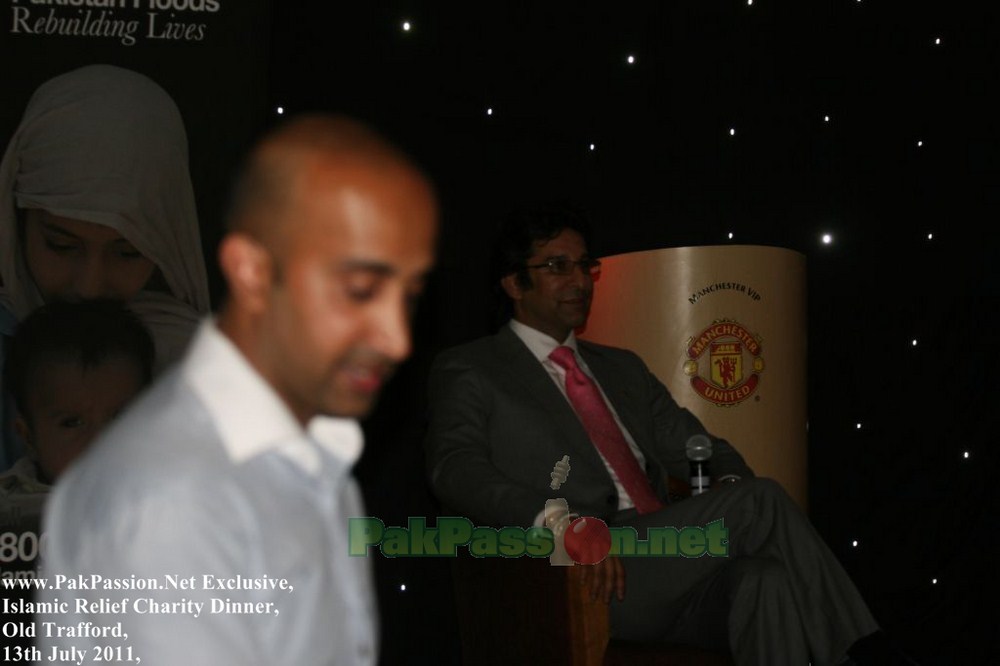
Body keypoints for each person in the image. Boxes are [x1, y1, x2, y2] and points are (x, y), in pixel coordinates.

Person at [424, 203, 912, 665]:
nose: (578, 281)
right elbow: (455, 470)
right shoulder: (472, 369)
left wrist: (726, 483)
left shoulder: (622, 369)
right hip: (585, 571)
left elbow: (703, 448)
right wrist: (556, 522)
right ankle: (863, 650)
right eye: (557, 266)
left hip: (670, 558)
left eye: (584, 265)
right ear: (514, 282)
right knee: (759, 502)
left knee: (766, 582)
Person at [37, 114, 438, 665]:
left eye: (410, 296)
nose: (396, 338)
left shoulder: (315, 457)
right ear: (250, 270)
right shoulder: (172, 497)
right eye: (361, 289)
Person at [0, 64, 211, 471]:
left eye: (127, 253)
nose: (90, 286)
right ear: (17, 220)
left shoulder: (203, 369)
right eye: (60, 245)